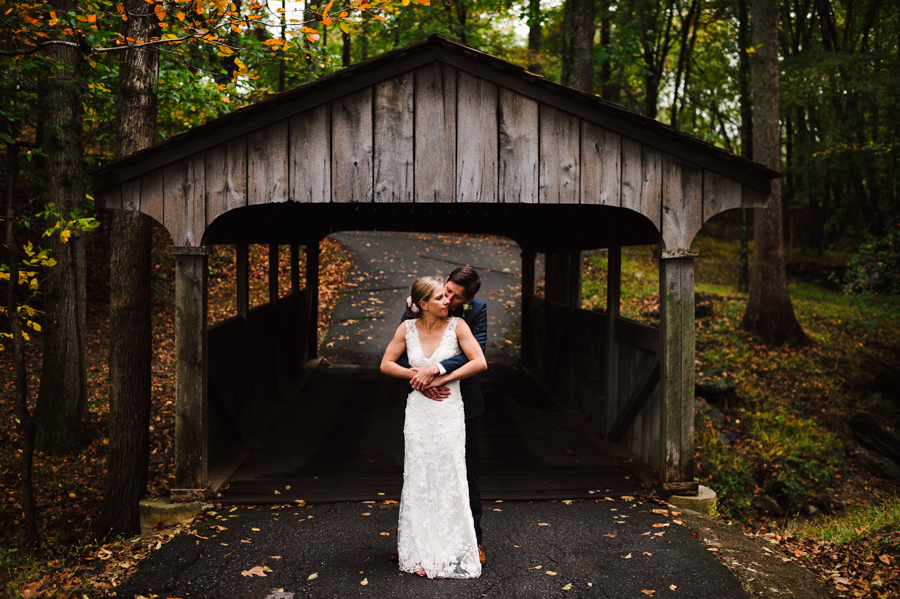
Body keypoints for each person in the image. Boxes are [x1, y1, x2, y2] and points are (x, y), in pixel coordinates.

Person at [381, 275, 487, 579]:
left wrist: (436, 376)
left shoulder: (465, 319)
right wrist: (416, 380)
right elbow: (388, 362)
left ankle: (467, 544)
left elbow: (478, 358)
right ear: (422, 303)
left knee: (458, 473)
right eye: (443, 295)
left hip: (453, 407)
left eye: (452, 297)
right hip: (418, 410)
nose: (448, 302)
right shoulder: (408, 324)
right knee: (419, 475)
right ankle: (417, 545)